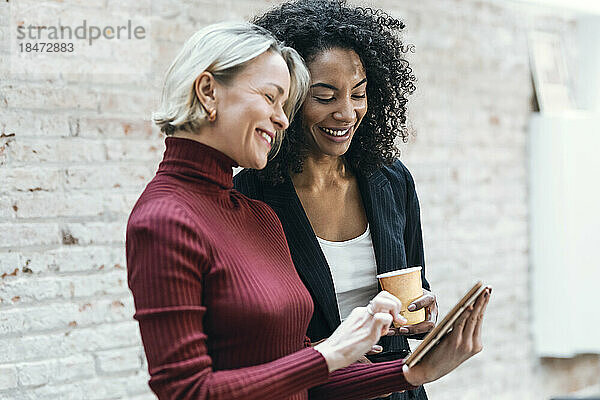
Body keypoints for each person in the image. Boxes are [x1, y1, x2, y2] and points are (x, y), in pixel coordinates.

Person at [126, 21, 491, 400]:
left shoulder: (255, 216)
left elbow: (303, 373)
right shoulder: (164, 220)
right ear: (207, 92)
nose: (283, 118)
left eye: (285, 103)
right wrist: (332, 351)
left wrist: (410, 373)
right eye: (271, 98)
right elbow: (186, 391)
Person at [234, 1, 438, 399]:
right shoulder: (250, 198)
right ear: (285, 98)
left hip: (398, 390)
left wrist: (421, 315)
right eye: (324, 97)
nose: (347, 113)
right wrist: (333, 355)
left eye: (358, 94)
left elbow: (412, 281)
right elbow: (256, 333)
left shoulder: (391, 181)